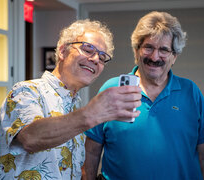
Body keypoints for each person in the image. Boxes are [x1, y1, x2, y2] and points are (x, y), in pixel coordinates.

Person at [0, 19, 142, 180]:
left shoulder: (75, 108)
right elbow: (30, 139)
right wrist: (91, 114)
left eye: (102, 57)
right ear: (62, 51)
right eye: (88, 49)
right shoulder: (26, 91)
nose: (95, 59)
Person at [84, 11, 204, 180]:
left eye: (164, 50)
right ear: (136, 50)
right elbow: (91, 152)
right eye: (148, 47)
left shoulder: (191, 92)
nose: (155, 57)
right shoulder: (112, 89)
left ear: (174, 56)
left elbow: (202, 153)